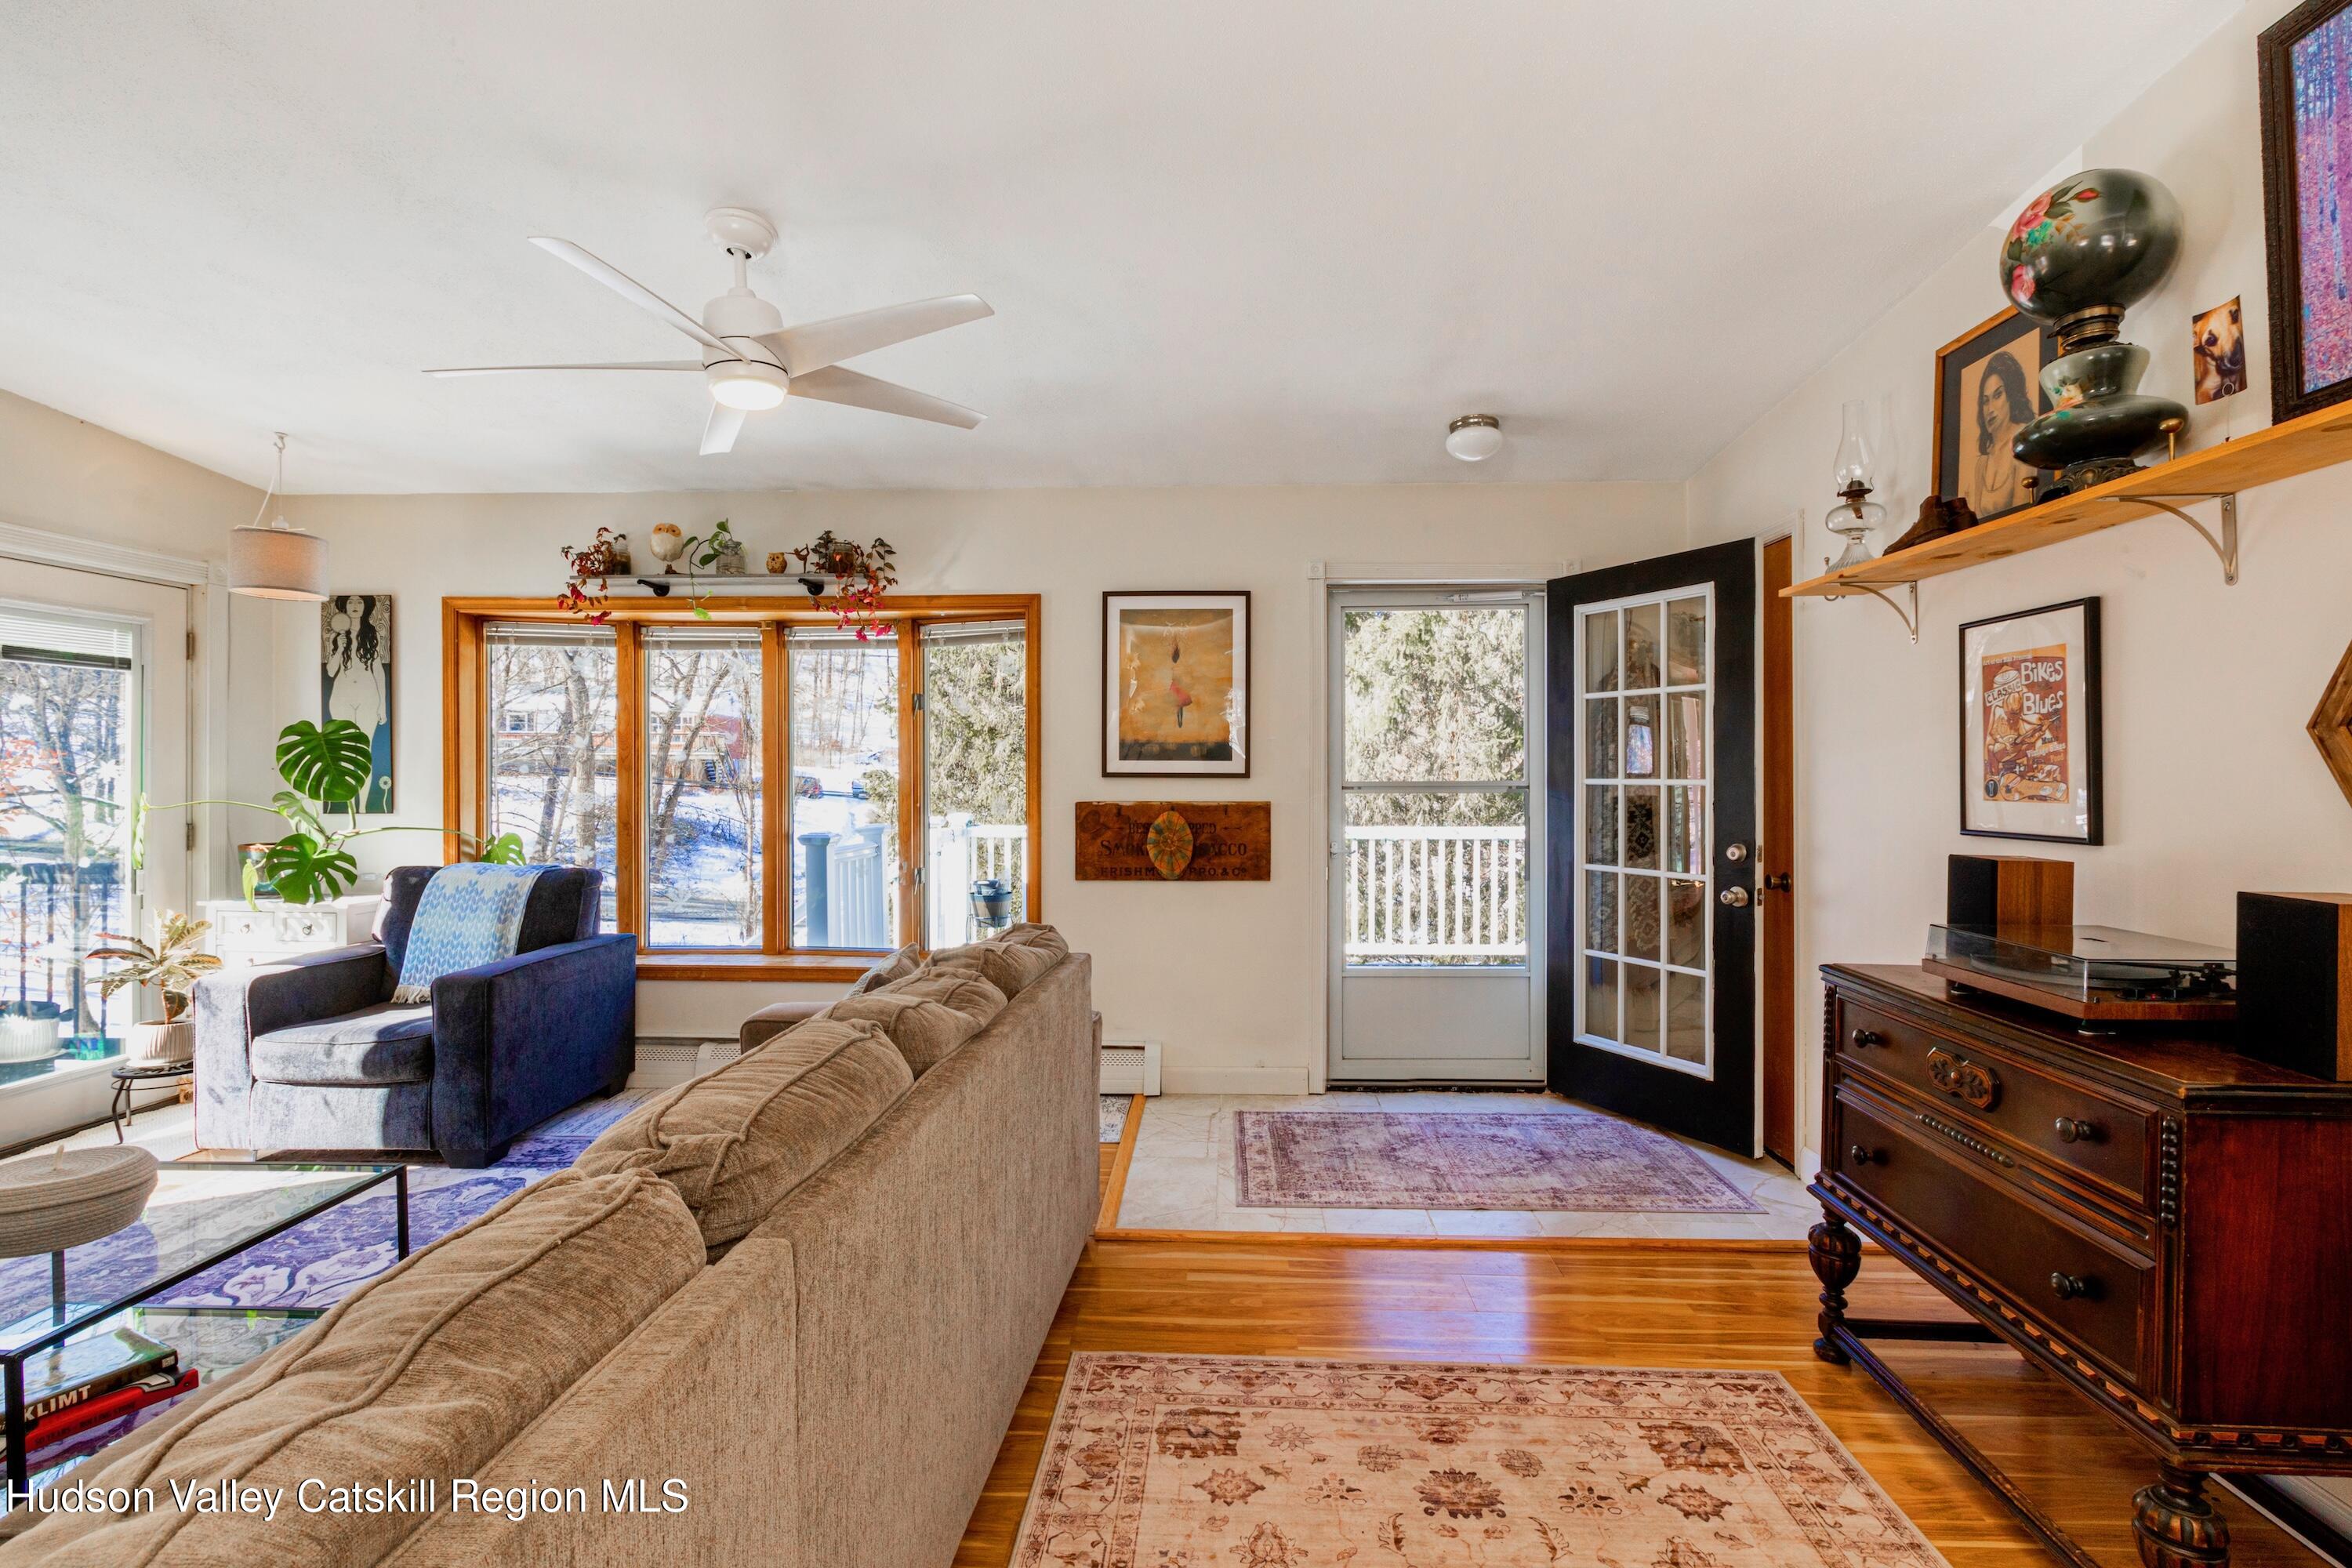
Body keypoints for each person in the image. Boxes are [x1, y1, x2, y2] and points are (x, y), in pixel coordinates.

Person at [1968, 350, 2035, 515]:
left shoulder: (2024, 443)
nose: (1990, 410)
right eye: (1985, 401)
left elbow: (2023, 517)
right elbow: (1977, 524)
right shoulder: (1982, 463)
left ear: (2011, 396)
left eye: (1997, 395)